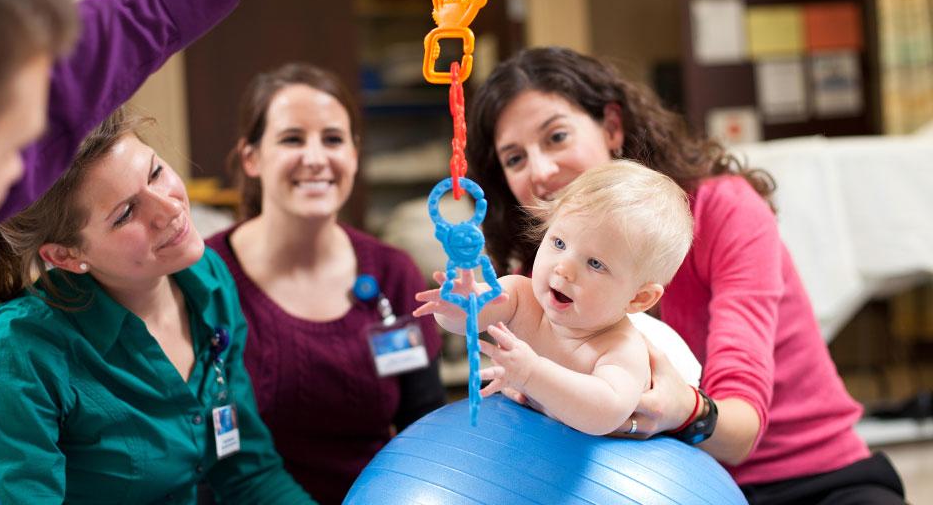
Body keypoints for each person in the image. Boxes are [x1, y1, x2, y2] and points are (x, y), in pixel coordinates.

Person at [466, 46, 904, 503]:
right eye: (514, 158)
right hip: (658, 486)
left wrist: (682, 408)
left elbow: (740, 432)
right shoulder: (545, 264)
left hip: (808, 480)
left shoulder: (722, 211)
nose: (540, 171)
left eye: (556, 137)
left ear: (612, 127)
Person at [0, 0, 234, 502]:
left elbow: (129, 29)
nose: (17, 176)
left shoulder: (207, 281)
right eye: (4, 152)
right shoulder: (21, 351)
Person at [0, 108, 315, 504]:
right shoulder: (17, 349)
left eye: (156, 173)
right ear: (67, 255)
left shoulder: (207, 280)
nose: (170, 209)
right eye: (125, 213)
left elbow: (247, 472)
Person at [204, 63, 446, 504]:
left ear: (354, 154)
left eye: (332, 139)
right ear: (251, 158)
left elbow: (424, 427)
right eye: (292, 139)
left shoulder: (392, 273)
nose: (315, 158)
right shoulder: (206, 276)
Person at [415, 161, 692, 436]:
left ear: (639, 298)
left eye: (595, 263)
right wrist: (458, 304)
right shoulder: (521, 297)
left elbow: (604, 414)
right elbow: (464, 323)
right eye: (559, 243)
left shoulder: (619, 348)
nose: (564, 269)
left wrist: (532, 375)